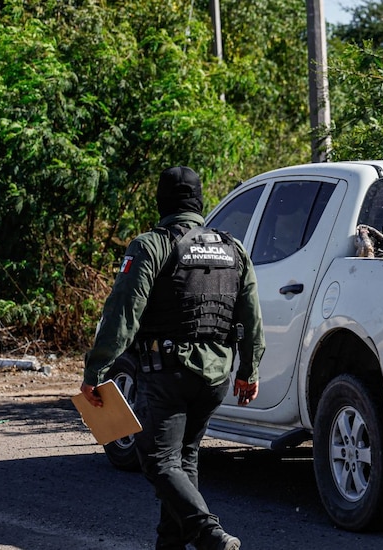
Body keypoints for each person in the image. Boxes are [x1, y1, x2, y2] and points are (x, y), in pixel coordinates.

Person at [80, 166, 265, 550]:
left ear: (161, 203)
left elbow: (123, 313)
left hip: (168, 371)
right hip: (216, 376)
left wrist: (96, 370)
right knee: (184, 459)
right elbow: (251, 316)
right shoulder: (233, 248)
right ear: (199, 202)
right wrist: (249, 370)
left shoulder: (151, 246)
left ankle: (209, 533)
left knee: (158, 460)